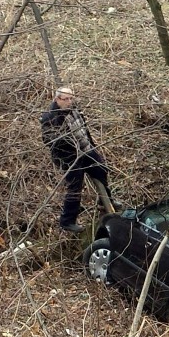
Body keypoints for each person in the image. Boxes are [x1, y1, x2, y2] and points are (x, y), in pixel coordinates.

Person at [40, 87, 118, 233]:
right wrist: (69, 145)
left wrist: (92, 147)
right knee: (75, 188)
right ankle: (67, 221)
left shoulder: (75, 110)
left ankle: (106, 200)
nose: (69, 102)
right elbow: (49, 141)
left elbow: (84, 129)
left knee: (101, 169)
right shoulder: (50, 117)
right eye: (66, 99)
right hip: (70, 158)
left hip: (86, 150)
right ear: (57, 99)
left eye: (71, 98)